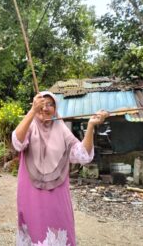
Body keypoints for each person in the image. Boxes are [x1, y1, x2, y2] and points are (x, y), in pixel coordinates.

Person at [12, 91, 109, 246]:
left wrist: (90, 126)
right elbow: (17, 142)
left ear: (56, 108)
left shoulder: (62, 130)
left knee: (59, 228)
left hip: (57, 194)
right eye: (42, 104)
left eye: (50, 104)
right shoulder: (29, 127)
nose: (45, 108)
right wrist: (31, 111)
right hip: (31, 193)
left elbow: (83, 155)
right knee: (33, 229)